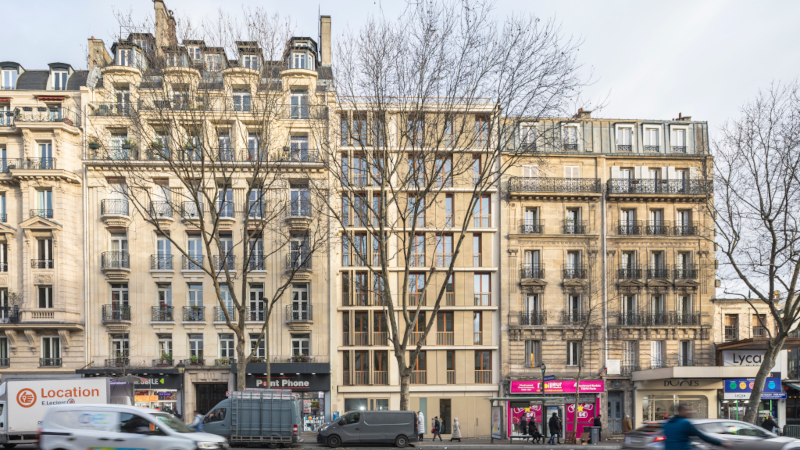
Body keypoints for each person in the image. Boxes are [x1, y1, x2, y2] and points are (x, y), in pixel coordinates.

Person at [663, 404, 733, 450]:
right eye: (686, 410)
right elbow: (702, 436)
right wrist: (721, 443)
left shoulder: (668, 423)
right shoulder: (685, 423)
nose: (689, 412)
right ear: (680, 411)